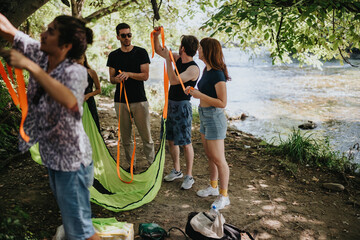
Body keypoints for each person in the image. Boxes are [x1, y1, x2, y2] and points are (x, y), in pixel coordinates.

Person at [0, 14, 100, 239]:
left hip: (73, 164)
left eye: (51, 31)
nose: (43, 34)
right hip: (54, 159)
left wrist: (30, 66)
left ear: (65, 46)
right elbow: (9, 30)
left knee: (79, 231)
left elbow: (68, 99)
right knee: (74, 224)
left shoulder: (76, 72)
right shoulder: (41, 53)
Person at [186, 37, 231, 210]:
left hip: (214, 117)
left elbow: (222, 102)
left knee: (219, 159)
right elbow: (203, 93)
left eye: (200, 48)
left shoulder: (218, 73)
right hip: (205, 116)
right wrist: (192, 91)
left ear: (208, 50)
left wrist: (199, 95)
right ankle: (213, 187)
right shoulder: (207, 69)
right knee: (210, 156)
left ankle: (224, 195)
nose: (198, 50)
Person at [153, 27, 200, 189]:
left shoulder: (193, 68)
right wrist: (156, 36)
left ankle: (189, 176)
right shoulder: (178, 58)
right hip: (170, 104)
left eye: (180, 45)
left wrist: (167, 60)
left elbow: (174, 81)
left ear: (183, 48)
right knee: (171, 139)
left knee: (185, 142)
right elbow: (159, 50)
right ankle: (177, 170)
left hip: (182, 106)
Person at [107, 23, 155, 170]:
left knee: (146, 136)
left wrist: (129, 74)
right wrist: (118, 79)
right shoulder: (113, 55)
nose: (127, 38)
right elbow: (112, 79)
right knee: (126, 138)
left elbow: (145, 76)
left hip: (139, 100)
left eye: (129, 35)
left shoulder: (141, 52)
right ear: (118, 37)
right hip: (121, 102)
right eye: (123, 35)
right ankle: (131, 166)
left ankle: (152, 165)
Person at [77, 54, 101, 132]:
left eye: (80, 57)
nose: (78, 60)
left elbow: (98, 90)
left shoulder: (91, 72)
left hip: (89, 103)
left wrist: (88, 95)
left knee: (93, 127)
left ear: (84, 59)